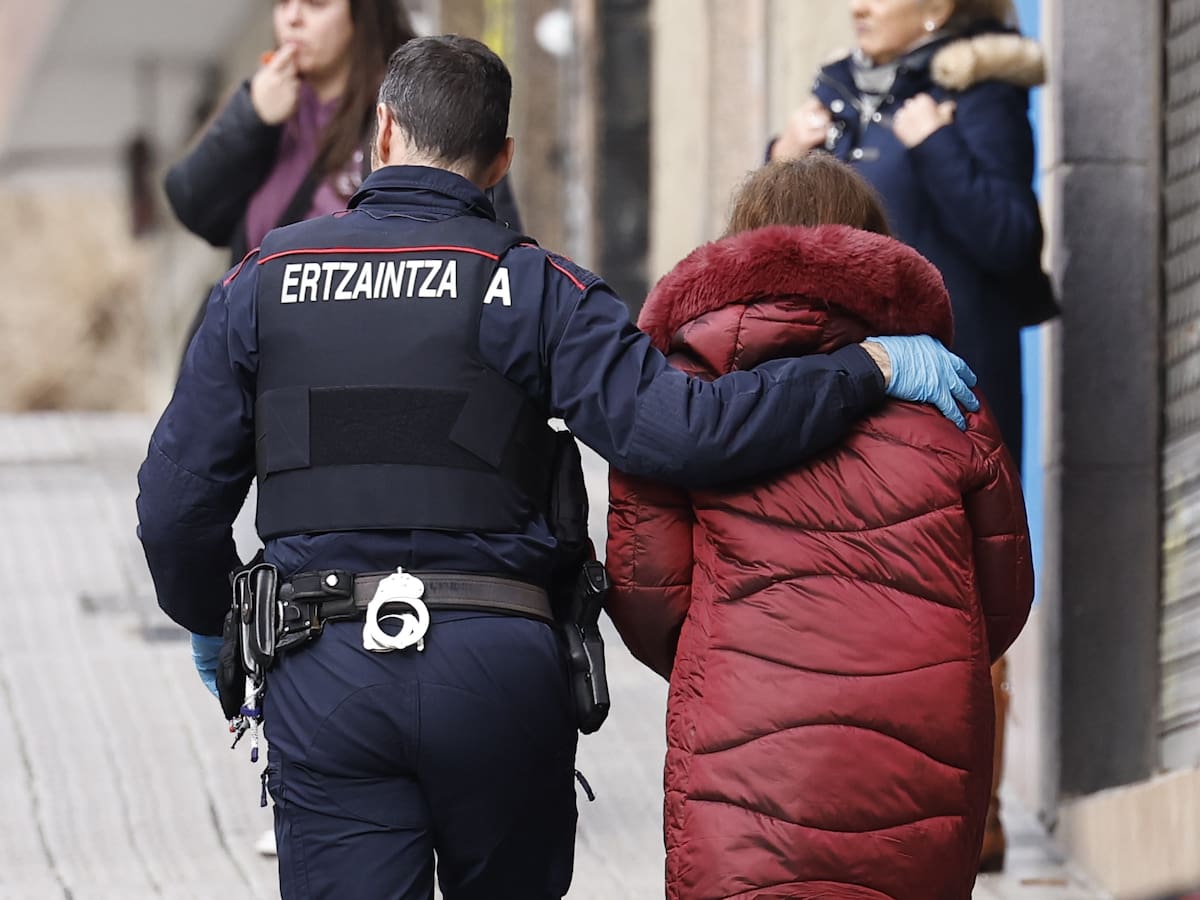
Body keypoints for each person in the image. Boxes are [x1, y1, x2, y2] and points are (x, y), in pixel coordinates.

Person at [137, 36, 979, 900]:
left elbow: (175, 507)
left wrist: (212, 619)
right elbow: (685, 432)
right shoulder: (539, 288)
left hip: (324, 667)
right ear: (501, 160)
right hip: (499, 668)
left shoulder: (265, 279)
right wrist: (866, 369)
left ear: (382, 131)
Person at [605, 155, 1034, 900]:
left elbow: (645, 594)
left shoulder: (681, 396)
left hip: (740, 749)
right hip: (920, 756)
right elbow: (1003, 594)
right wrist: (919, 661)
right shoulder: (950, 393)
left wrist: (731, 662)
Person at [769, 0, 1048, 869]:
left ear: (937, 8)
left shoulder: (979, 94)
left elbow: (1011, 238)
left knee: (964, 599)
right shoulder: (836, 99)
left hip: (953, 392)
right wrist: (779, 163)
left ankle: (979, 815)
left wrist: (936, 145)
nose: (857, 5)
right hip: (846, 393)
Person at [164, 0, 522, 352]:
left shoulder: (420, 108)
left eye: (315, 5)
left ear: (362, 14)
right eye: (282, 3)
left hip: (377, 354)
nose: (292, 18)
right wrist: (251, 116)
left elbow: (492, 254)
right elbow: (192, 204)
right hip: (261, 358)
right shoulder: (268, 101)